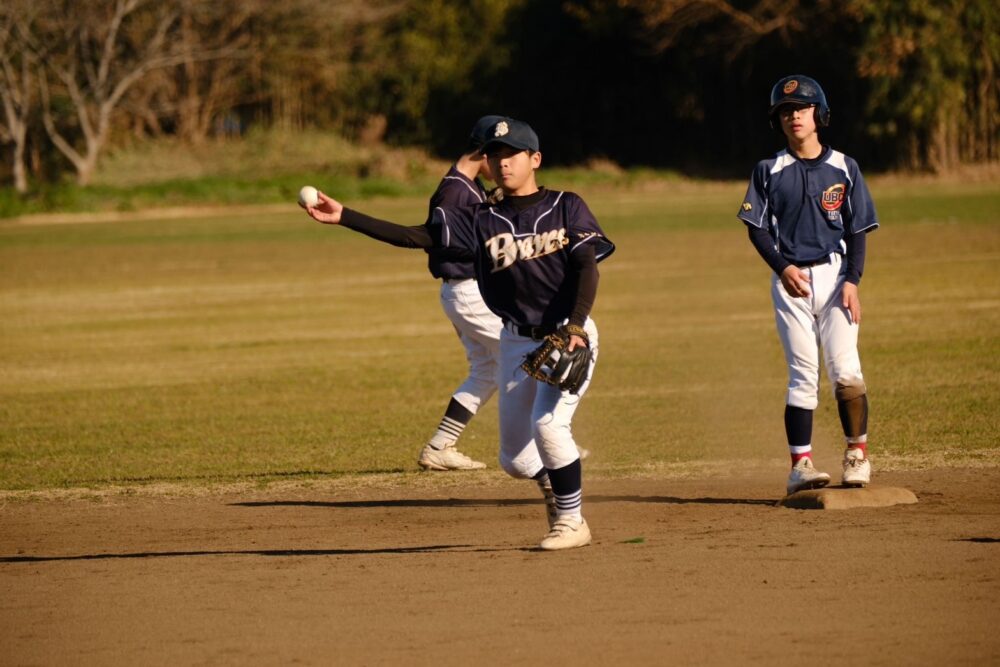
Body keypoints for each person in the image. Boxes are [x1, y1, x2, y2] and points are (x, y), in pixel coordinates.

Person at [302, 117, 614, 550]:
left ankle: (572, 522)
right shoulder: (481, 219)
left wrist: (577, 324)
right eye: (494, 155)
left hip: (567, 333)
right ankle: (560, 491)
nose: (501, 163)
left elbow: (586, 266)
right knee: (516, 461)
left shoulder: (566, 206)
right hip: (516, 342)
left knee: (549, 426)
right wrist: (345, 217)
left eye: (512, 154)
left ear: (535, 159)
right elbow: (418, 236)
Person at [738, 75, 878, 496]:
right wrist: (782, 268)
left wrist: (853, 281)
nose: (793, 115)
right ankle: (800, 465)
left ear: (819, 114)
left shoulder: (844, 167)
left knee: (846, 370)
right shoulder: (769, 170)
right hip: (790, 282)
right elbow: (757, 229)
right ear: (777, 121)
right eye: (785, 110)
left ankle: (857, 456)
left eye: (801, 107)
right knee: (802, 374)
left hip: (836, 278)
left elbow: (857, 230)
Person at [415, 115, 504, 472]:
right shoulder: (454, 192)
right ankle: (551, 441)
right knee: (527, 357)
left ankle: (440, 446)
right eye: (499, 157)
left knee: (488, 370)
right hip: (468, 291)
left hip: (466, 292)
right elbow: (453, 247)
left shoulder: (468, 187)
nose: (502, 166)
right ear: (485, 153)